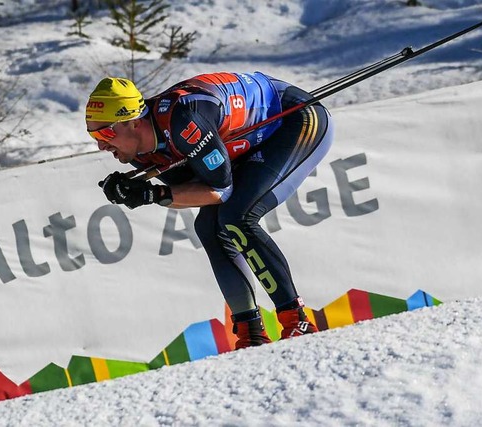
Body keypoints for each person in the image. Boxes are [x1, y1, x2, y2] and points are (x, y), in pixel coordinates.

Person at [85, 72, 334, 349]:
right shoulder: (141, 151)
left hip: (295, 119)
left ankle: (296, 321)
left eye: (106, 133)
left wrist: (152, 194)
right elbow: (198, 188)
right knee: (209, 228)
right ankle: (251, 333)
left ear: (133, 122)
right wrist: (143, 190)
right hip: (248, 143)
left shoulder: (183, 121)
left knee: (238, 217)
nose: (101, 145)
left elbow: (220, 191)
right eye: (93, 135)